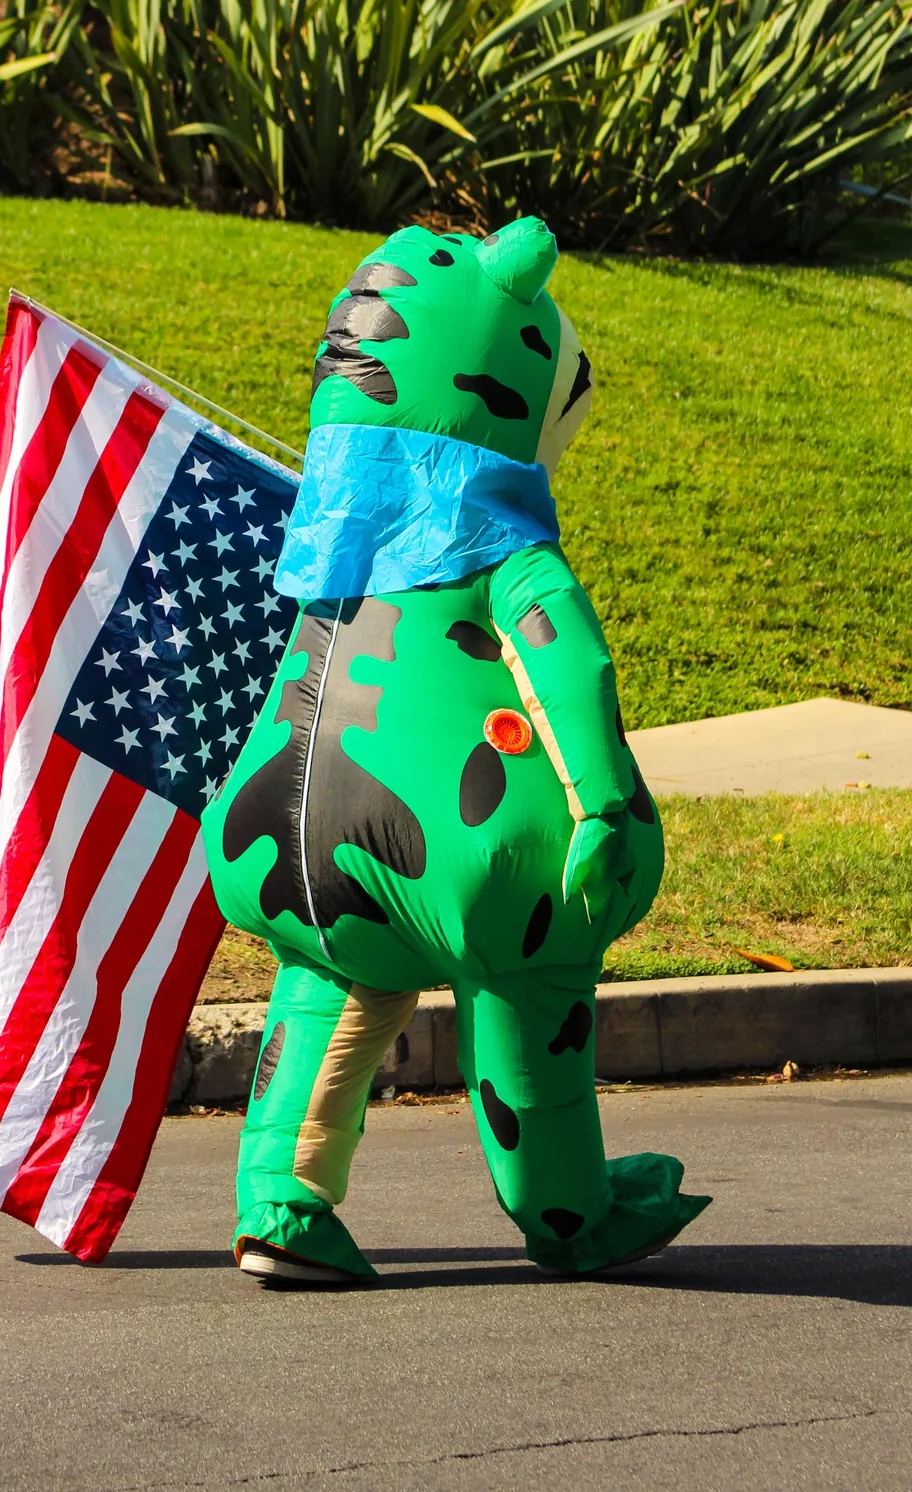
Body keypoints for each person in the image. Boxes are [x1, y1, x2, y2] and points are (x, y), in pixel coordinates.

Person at [201, 216, 709, 1285]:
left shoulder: (334, 525)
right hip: (455, 839)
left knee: (331, 984)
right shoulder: (504, 542)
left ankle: (280, 1202)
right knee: (531, 975)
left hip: (286, 831)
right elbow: (568, 669)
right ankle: (569, 1210)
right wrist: (606, 809)